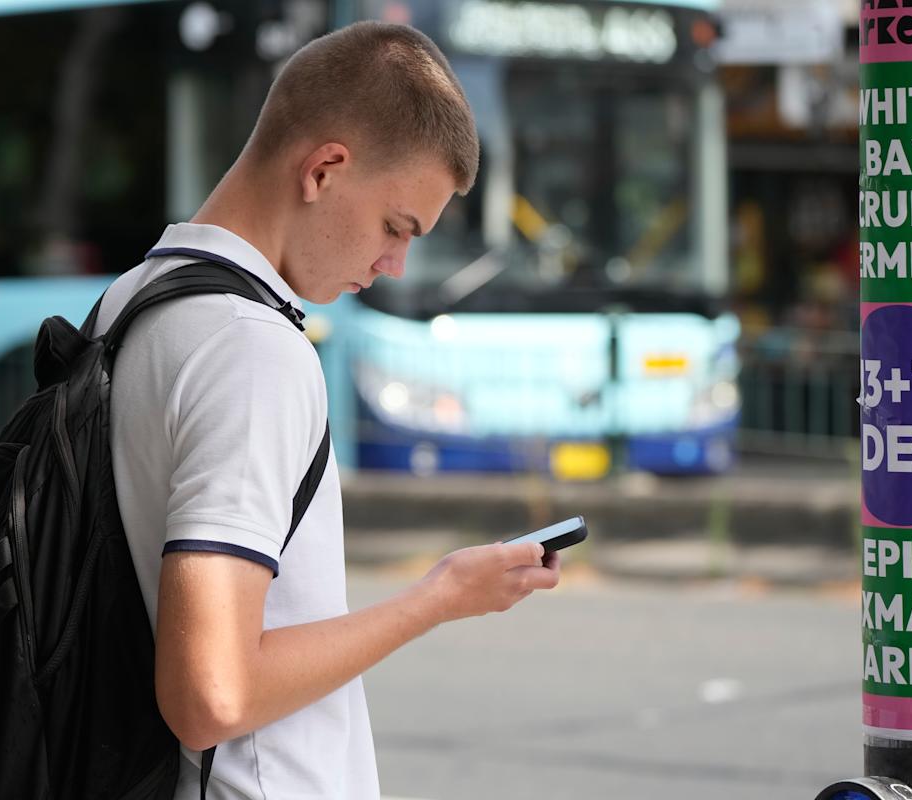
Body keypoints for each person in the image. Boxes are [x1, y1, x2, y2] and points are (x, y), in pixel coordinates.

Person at [91, 21, 561, 800]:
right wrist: (437, 599)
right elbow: (212, 696)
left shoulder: (131, 300)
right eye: (395, 226)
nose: (394, 263)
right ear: (323, 171)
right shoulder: (250, 349)